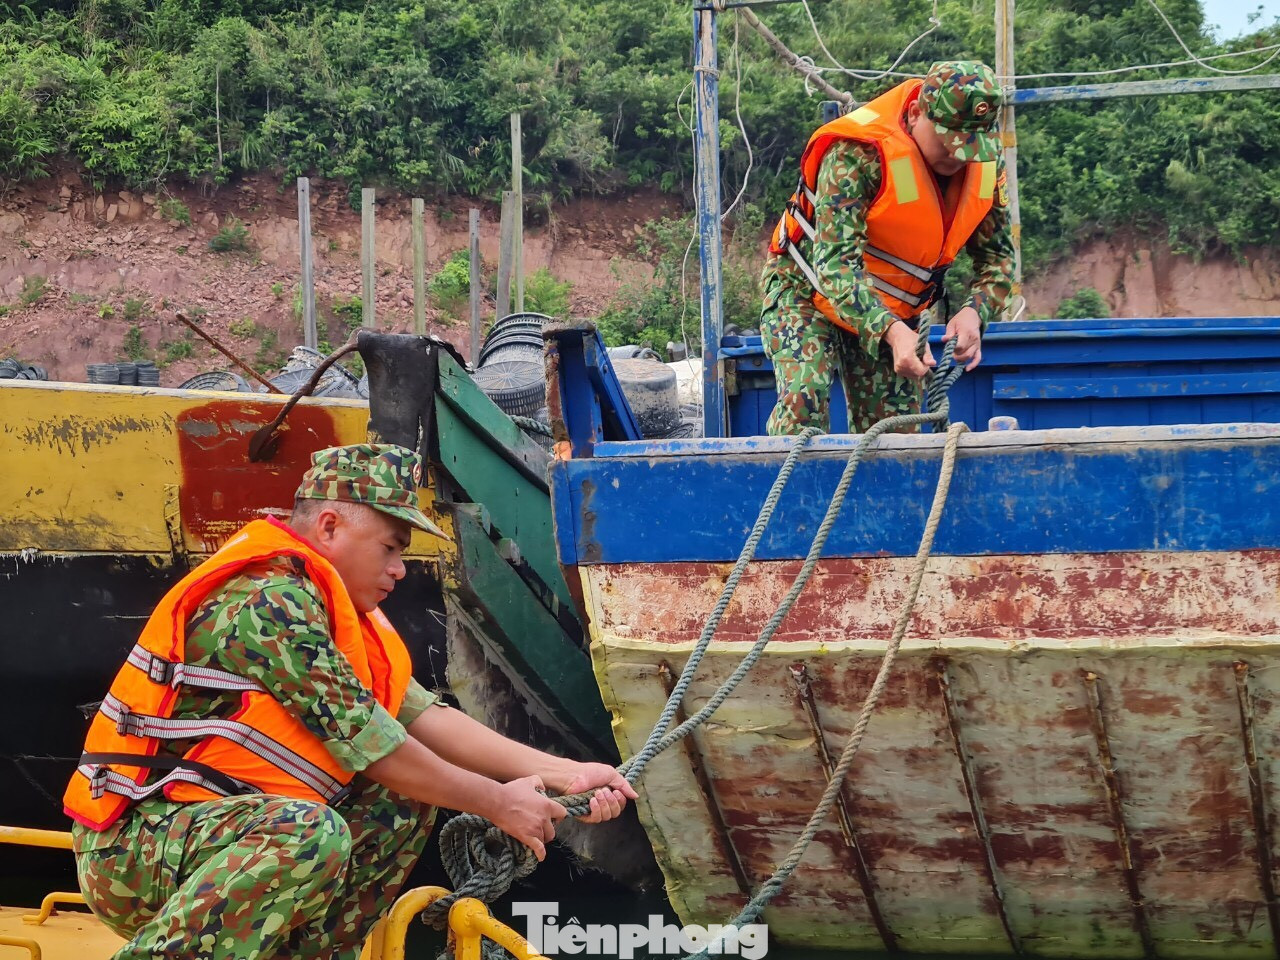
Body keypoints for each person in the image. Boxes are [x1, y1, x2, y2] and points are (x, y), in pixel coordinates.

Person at [63, 443, 636, 960]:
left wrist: (568, 773)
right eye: (390, 546)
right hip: (137, 849)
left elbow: (425, 718)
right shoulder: (269, 604)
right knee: (311, 831)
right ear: (331, 526)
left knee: (404, 799)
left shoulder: (338, 615)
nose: (399, 568)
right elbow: (376, 747)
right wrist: (498, 804)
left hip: (220, 833)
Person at [760, 60, 1015, 435]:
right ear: (915, 114)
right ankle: (792, 489)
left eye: (970, 145)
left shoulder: (985, 168)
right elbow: (835, 266)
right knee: (804, 400)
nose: (959, 156)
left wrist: (975, 313)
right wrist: (893, 333)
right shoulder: (857, 154)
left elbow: (998, 261)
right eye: (948, 140)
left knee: (896, 433)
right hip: (806, 289)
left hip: (894, 310)